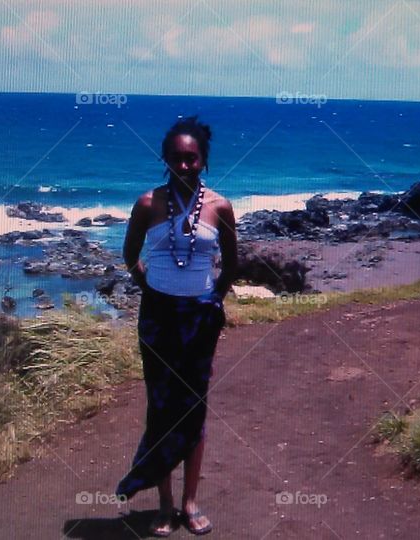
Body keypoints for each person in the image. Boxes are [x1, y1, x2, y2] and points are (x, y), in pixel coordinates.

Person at [116, 115, 238, 537]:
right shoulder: (148, 204)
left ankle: (190, 502)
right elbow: (131, 255)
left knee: (193, 408)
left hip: (199, 317)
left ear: (204, 160)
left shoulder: (220, 206)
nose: (184, 165)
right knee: (161, 409)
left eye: (192, 158)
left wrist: (213, 301)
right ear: (164, 159)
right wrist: (152, 290)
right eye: (176, 158)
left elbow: (232, 263)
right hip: (158, 317)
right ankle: (165, 505)